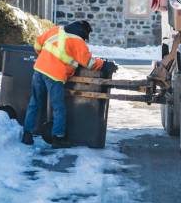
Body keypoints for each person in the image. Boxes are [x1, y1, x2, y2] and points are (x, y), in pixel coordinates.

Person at [21, 20, 117, 148]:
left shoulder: (56, 30)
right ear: (83, 32)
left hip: (39, 70)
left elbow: (37, 45)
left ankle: (27, 134)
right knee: (58, 108)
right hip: (55, 76)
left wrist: (46, 58)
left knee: (35, 103)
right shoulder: (77, 41)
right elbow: (89, 62)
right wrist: (105, 65)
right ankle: (58, 138)